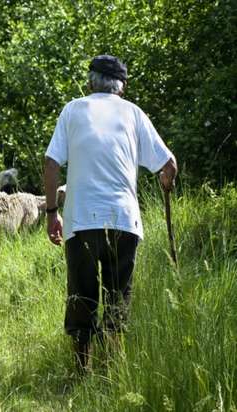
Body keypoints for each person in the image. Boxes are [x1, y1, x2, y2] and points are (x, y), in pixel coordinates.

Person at [43, 55, 177, 374]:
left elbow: (50, 163)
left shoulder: (74, 109)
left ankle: (81, 373)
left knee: (81, 297)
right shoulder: (133, 113)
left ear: (90, 82)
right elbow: (169, 165)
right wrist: (165, 181)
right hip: (123, 221)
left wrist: (51, 213)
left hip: (81, 221)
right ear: (122, 87)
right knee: (117, 299)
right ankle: (111, 376)